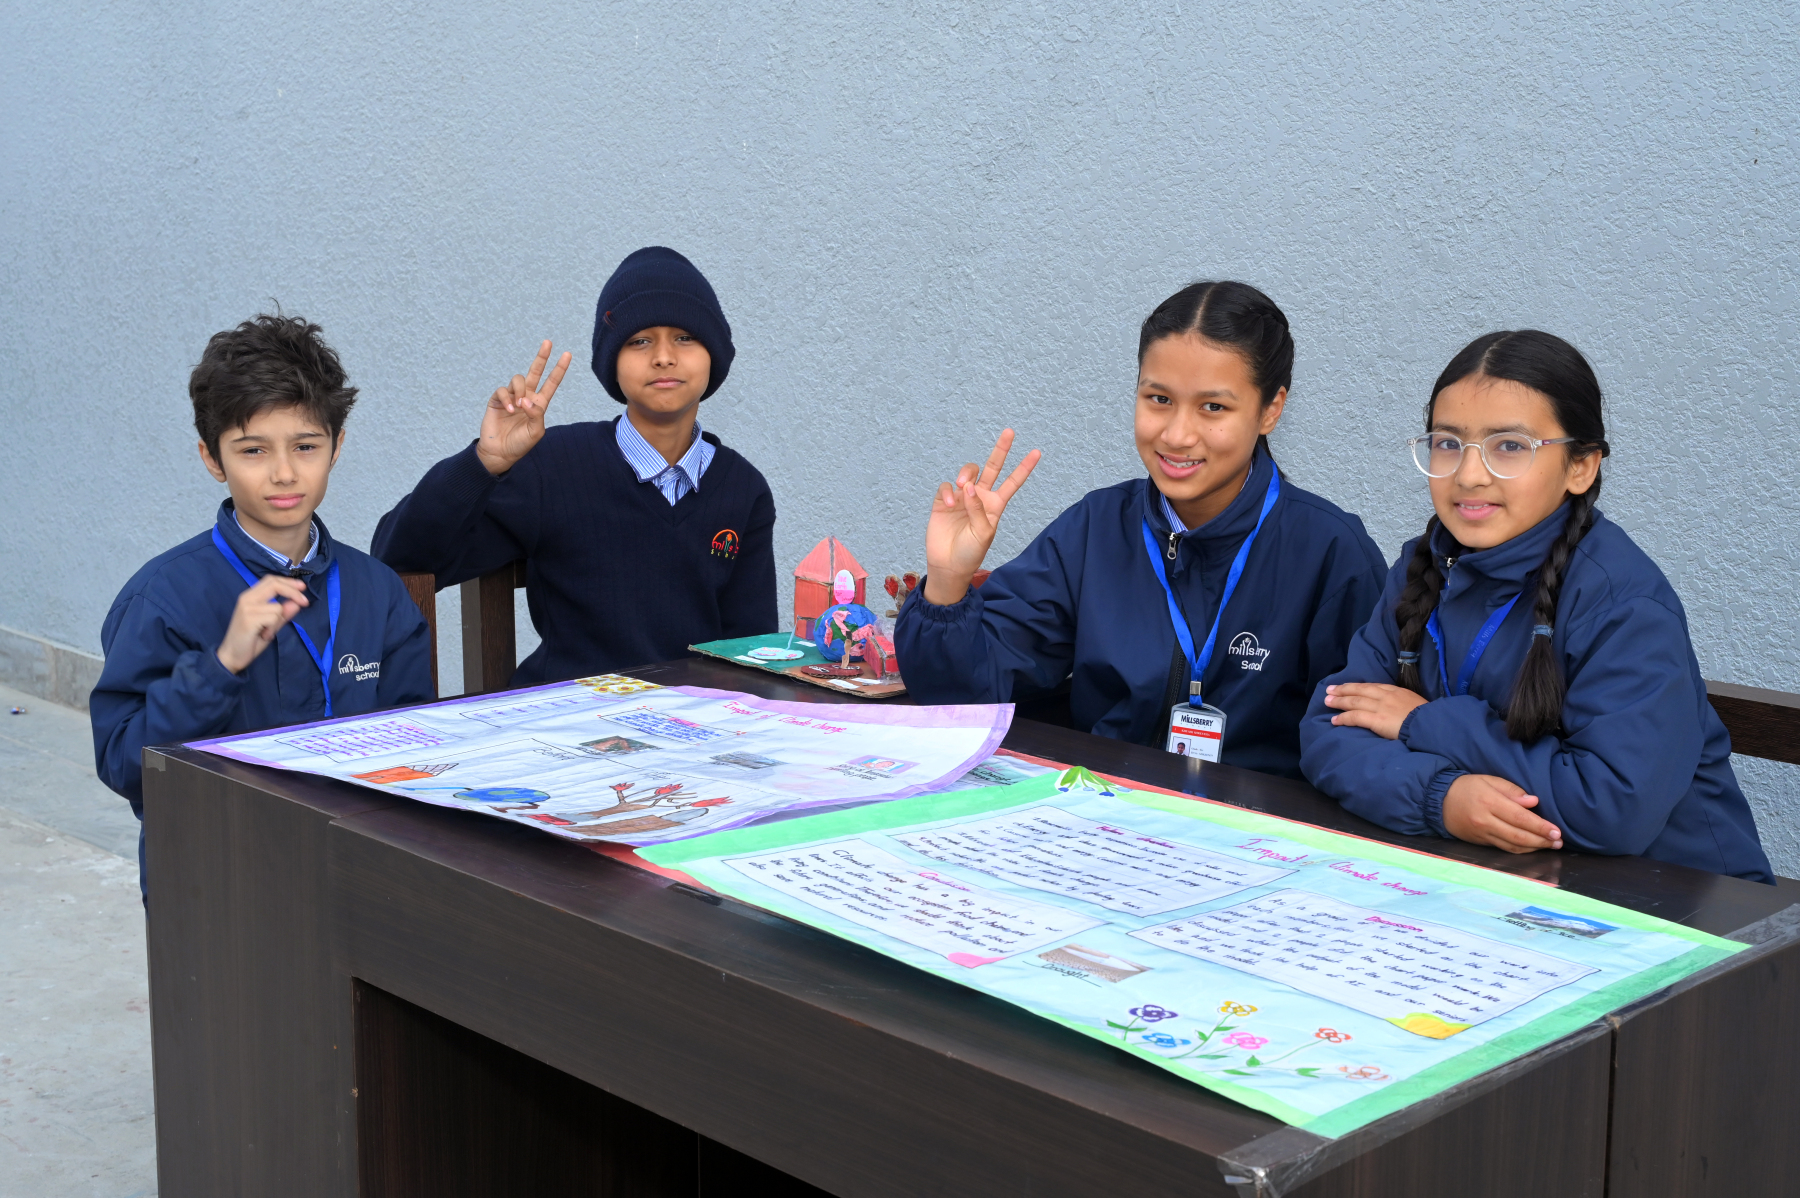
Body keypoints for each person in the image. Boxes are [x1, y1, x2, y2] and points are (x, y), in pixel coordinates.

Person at [1299, 330, 1772, 883]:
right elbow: (1329, 731)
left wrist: (1422, 723)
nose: (1469, 474)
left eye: (1509, 446)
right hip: (1493, 884)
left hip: (1681, 904)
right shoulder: (1420, 567)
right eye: (1448, 443)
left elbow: (1613, 809)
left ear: (1581, 466)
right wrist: (1441, 798)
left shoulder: (1623, 602)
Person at [895, 281, 1387, 778]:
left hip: (1254, 822)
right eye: (1159, 398)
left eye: (1213, 407)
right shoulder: (1096, 529)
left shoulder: (1331, 553)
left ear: (1271, 410)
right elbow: (959, 700)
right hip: (1099, 808)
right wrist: (947, 583)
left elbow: (1356, 754)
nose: (1177, 434)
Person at [91, 313, 436, 896]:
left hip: (356, 870)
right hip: (217, 882)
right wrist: (220, 665)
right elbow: (126, 764)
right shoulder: (163, 597)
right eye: (253, 450)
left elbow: (416, 740)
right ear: (212, 458)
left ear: (336, 447)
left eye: (306, 446)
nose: (284, 472)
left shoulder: (376, 591)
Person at [372, 246, 777, 684]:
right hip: (567, 714)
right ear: (611, 363)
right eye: (639, 341)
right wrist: (484, 463)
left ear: (714, 355)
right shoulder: (551, 465)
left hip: (692, 718)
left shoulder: (743, 490)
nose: (663, 356)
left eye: (685, 337)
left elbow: (751, 654)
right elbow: (398, 557)